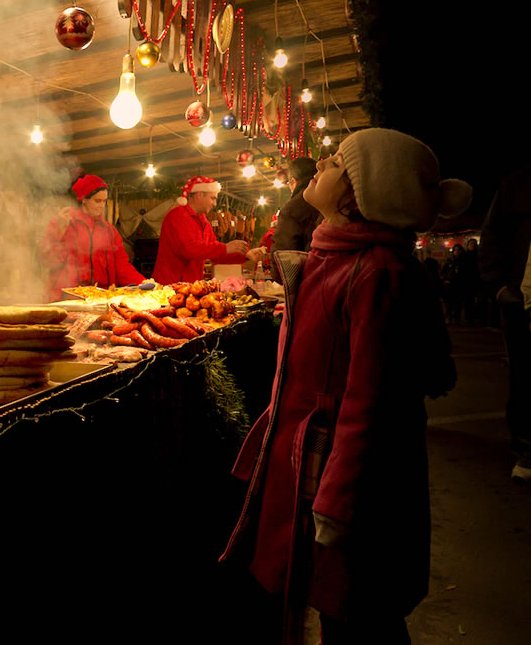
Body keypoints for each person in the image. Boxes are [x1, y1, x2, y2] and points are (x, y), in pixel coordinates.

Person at [219, 128, 471, 643]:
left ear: (357, 196)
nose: (321, 165)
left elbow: (372, 405)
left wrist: (337, 505)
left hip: (348, 477)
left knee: (357, 611)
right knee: (328, 598)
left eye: (336, 162)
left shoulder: (376, 272)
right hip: (311, 454)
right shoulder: (332, 256)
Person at [479, 165, 531, 481]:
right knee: (524, 373)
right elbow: (493, 234)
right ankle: (526, 445)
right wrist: (499, 286)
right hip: (522, 299)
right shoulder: (517, 184)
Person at [41, 174, 144, 301]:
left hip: (101, 298)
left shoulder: (109, 231)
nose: (102, 205)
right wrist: (59, 230)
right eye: (97, 201)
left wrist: (143, 283)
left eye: (104, 201)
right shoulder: (64, 222)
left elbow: (122, 265)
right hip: (66, 299)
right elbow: (48, 260)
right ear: (84, 199)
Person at [152, 175, 264, 284]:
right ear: (200, 195)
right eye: (212, 198)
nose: (215, 204)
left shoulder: (204, 221)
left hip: (190, 286)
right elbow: (187, 249)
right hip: (169, 286)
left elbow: (215, 255)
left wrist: (246, 255)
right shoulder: (177, 215)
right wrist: (225, 248)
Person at [270, 156, 320, 281]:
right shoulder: (330, 199)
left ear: (293, 181)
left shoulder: (292, 208)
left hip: (308, 283)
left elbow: (282, 262)